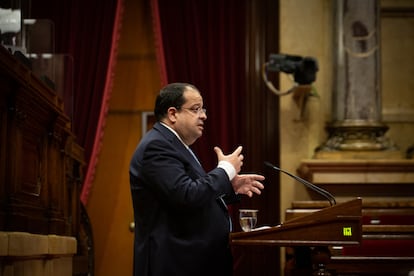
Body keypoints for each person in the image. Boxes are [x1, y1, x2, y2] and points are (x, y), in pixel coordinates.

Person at [129, 82, 265, 276]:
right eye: (196, 109)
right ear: (173, 114)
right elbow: (186, 195)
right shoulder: (157, 147)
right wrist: (225, 170)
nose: (204, 115)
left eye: (203, 109)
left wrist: (228, 186)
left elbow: (190, 196)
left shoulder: (175, 145)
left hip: (191, 261)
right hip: (174, 263)